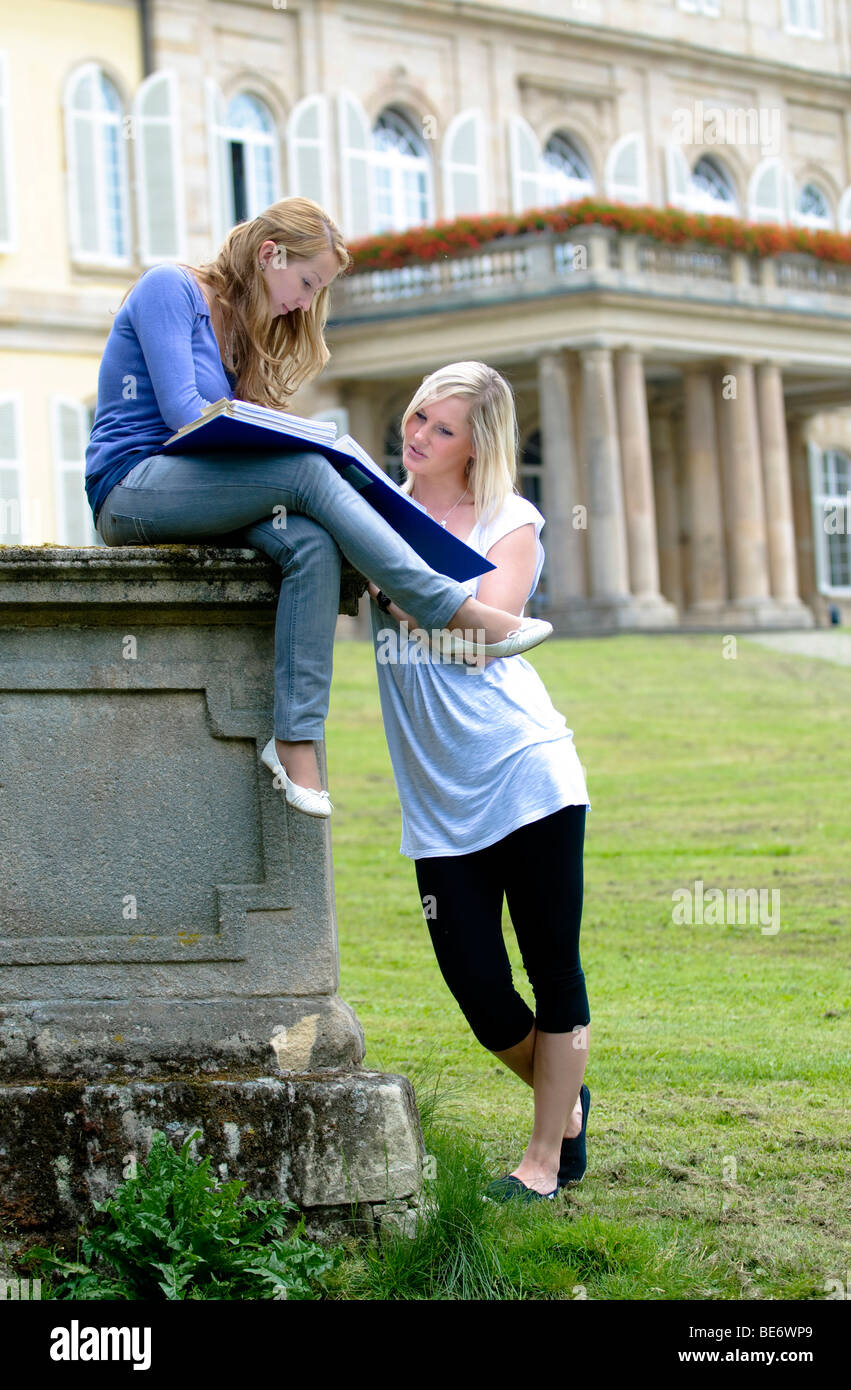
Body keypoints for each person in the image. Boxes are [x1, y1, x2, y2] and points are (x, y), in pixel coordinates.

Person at [85, 199, 551, 818]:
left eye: (318, 290)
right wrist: (297, 443)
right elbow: (184, 416)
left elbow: (227, 442)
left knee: (309, 540)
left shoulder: (242, 328)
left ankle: (295, 738)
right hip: (132, 488)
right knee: (309, 470)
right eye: (307, 283)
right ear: (269, 254)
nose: (306, 303)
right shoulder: (170, 289)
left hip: (199, 491)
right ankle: (444, 605)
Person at [366, 361, 591, 1200]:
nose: (418, 436)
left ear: (476, 446)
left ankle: (540, 1164)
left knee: (550, 968)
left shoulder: (510, 519)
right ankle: (564, 1104)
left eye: (441, 429)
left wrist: (413, 597)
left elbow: (485, 637)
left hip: (523, 769)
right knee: (478, 991)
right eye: (417, 416)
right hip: (436, 794)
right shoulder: (379, 509)